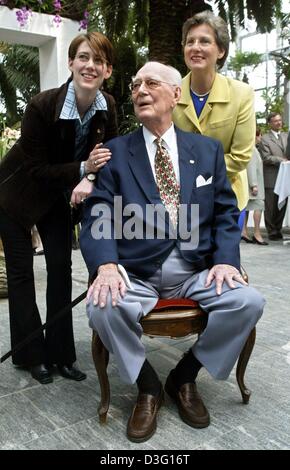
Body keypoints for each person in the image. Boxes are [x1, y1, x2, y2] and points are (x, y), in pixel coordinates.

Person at [80, 61, 265, 443]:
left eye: (150, 83)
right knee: (102, 306)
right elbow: (97, 212)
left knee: (248, 302)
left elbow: (227, 212)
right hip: (138, 271)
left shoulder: (207, 150)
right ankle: (148, 385)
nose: (140, 91)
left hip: (196, 270)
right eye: (134, 86)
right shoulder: (116, 153)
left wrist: (227, 260)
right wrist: (107, 265)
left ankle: (185, 375)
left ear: (175, 94)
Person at [0, 32, 117, 384]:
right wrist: (83, 170)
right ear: (70, 63)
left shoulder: (108, 105)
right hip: (14, 195)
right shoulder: (41, 105)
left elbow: (106, 158)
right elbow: (35, 168)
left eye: (98, 61)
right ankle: (31, 355)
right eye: (83, 57)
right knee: (21, 276)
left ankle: (62, 354)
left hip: (55, 198)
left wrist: (91, 179)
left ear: (108, 70)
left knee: (61, 270)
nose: (90, 66)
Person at [172, 11, 255, 229]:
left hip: (227, 196)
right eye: (190, 42)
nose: (195, 47)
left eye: (204, 41)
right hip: (182, 201)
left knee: (224, 260)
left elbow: (241, 157)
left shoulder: (242, 94)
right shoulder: (171, 93)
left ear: (221, 51)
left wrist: (192, 169)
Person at [259, 112, 288, 240]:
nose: (279, 123)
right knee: (270, 206)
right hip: (271, 177)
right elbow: (266, 158)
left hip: (285, 177)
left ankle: (278, 228)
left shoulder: (286, 136)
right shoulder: (265, 138)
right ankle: (271, 231)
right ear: (269, 123)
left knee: (282, 204)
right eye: (276, 121)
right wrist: (281, 160)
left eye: (280, 120)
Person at [241, 128, 268, 245]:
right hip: (254, 185)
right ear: (256, 136)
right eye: (260, 135)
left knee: (246, 208)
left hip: (250, 184)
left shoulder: (250, 148)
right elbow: (251, 167)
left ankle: (244, 231)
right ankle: (257, 233)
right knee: (259, 206)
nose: (260, 138)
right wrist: (254, 185)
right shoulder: (252, 149)